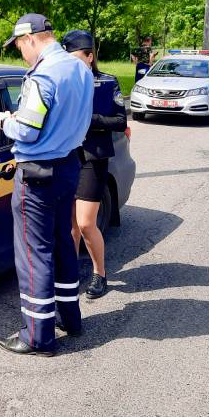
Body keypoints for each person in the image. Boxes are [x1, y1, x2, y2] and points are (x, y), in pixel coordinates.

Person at [0, 13, 93, 356]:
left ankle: (37, 336)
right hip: (68, 165)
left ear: (30, 39)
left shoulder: (42, 76)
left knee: (34, 253)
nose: (20, 53)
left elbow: (27, 130)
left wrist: (7, 120)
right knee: (63, 242)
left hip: (37, 172)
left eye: (19, 46)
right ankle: (71, 317)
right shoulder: (79, 68)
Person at [61, 29, 127, 299]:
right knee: (70, 225)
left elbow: (120, 121)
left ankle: (100, 274)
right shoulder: (63, 83)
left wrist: (90, 121)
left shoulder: (107, 83)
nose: (72, 64)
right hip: (66, 158)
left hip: (92, 157)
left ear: (90, 56)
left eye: (77, 58)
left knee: (86, 223)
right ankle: (69, 272)